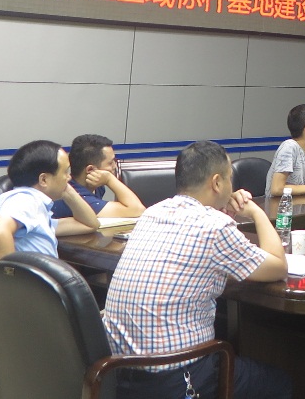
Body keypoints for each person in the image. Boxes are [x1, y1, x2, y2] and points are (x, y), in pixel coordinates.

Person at [102, 141, 290, 399]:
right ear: (217, 182)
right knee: (280, 382)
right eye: (229, 178)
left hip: (118, 375)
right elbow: (278, 267)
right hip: (175, 378)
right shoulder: (215, 226)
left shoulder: (152, 213)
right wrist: (256, 213)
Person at [0, 141, 100, 345]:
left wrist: (66, 189)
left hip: (0, 322)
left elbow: (90, 224)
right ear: (44, 179)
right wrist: (14, 292)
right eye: (65, 172)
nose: (69, 177)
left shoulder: (37, 211)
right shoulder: (25, 201)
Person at [51, 133, 145, 218]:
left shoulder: (97, 187)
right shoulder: (76, 197)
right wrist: (109, 179)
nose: (115, 166)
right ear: (90, 170)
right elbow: (138, 210)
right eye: (110, 163)